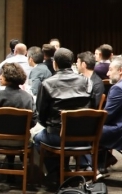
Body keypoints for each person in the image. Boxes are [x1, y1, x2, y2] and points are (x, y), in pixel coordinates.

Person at [32, 48, 91, 184]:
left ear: (54, 64)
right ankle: (77, 169)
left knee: (36, 138)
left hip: (57, 136)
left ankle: (54, 172)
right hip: (83, 136)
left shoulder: (47, 83)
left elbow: (41, 114)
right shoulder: (87, 82)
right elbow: (91, 108)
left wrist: (50, 126)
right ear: (72, 63)